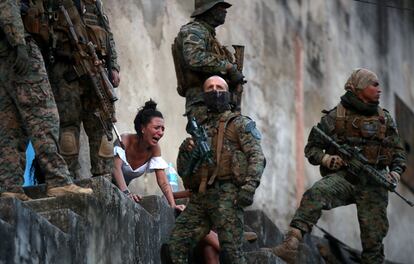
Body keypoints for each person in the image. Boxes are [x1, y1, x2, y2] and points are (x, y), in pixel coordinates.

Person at [272, 68, 407, 264]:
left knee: (373, 238)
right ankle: (290, 245)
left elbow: (398, 153)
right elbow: (312, 149)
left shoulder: (383, 119)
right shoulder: (336, 116)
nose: (379, 89)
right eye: (374, 84)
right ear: (360, 88)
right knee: (316, 193)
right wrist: (328, 160)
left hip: (374, 183)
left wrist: (394, 173)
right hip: (346, 178)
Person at [0, 0, 92, 200]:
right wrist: (19, 44)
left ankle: (10, 187)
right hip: (19, 47)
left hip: (5, 52)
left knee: (11, 125)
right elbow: (7, 3)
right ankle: (58, 180)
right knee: (44, 118)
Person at [168, 76, 266, 263]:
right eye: (210, 88)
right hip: (199, 198)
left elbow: (257, 156)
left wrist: (249, 186)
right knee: (177, 244)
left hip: (227, 195)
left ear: (228, 94)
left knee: (232, 254)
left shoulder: (239, 123)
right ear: (204, 95)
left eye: (219, 87)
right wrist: (185, 151)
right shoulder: (200, 127)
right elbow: (184, 170)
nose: (215, 91)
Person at [21, 0, 121, 179]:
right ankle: (68, 180)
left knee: (103, 129)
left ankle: (104, 178)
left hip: (96, 70)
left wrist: (113, 67)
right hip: (65, 71)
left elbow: (108, 33)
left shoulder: (94, 3)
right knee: (68, 130)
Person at [172, 0, 245, 121]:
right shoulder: (195, 30)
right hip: (203, 103)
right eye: (220, 7)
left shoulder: (207, 33)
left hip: (215, 102)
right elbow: (194, 58)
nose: (225, 11)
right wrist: (228, 67)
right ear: (209, 10)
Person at [112, 100, 184, 211]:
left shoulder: (154, 149)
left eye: (163, 129)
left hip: (121, 192)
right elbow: (115, 168)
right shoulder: (125, 140)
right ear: (143, 128)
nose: (161, 133)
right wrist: (127, 193)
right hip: (111, 185)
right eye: (157, 128)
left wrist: (173, 205)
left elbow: (163, 182)